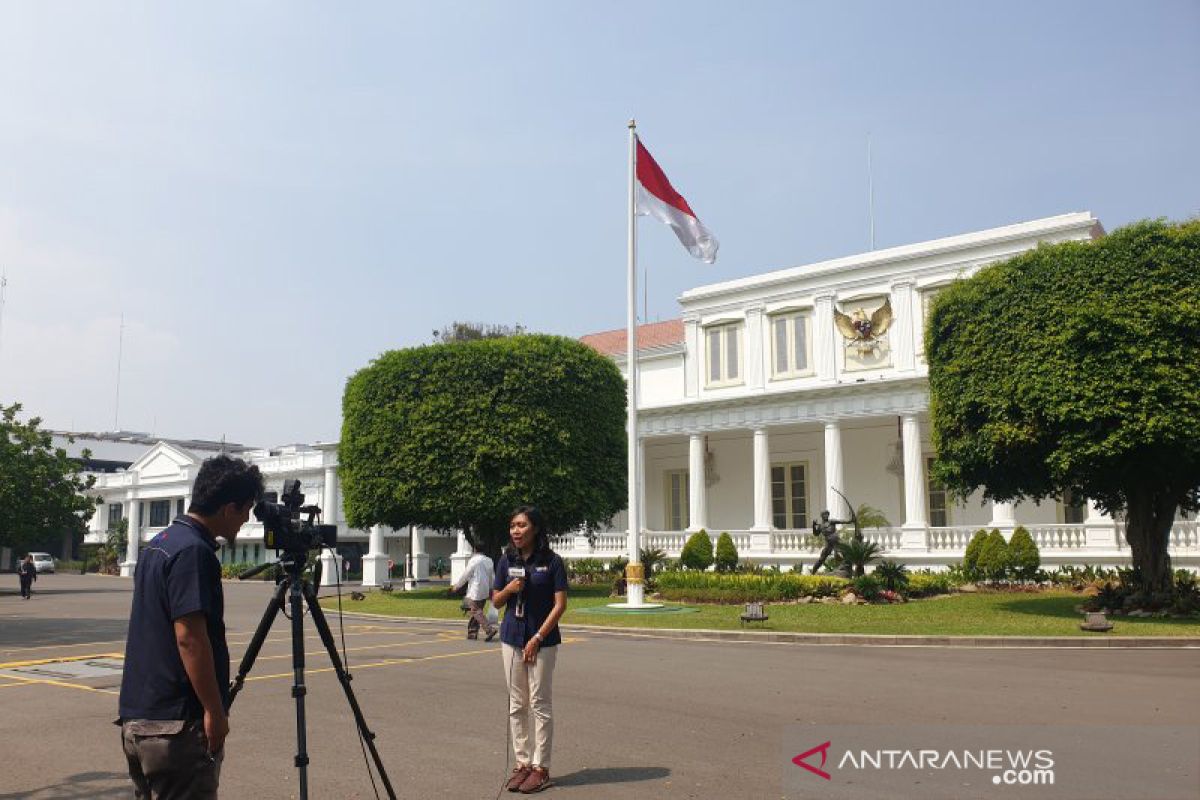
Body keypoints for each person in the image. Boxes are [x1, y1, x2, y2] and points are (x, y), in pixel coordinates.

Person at [118, 455, 264, 799]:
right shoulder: (194, 553)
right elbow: (190, 639)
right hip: (176, 726)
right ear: (229, 508)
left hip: (139, 717)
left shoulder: (159, 544)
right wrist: (215, 711)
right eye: (245, 511)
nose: (245, 521)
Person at [492, 506, 567, 794]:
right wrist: (509, 589)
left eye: (522, 525)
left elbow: (560, 605)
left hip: (542, 641)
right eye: (513, 525)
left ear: (535, 528)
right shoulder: (505, 560)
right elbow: (496, 602)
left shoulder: (552, 562)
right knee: (516, 704)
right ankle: (522, 763)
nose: (516, 531)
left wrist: (536, 637)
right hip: (511, 638)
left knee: (539, 704)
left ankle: (540, 768)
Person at [448, 543, 497, 641]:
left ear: (474, 550)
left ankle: (489, 629)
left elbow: (466, 575)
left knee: (475, 611)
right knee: (476, 612)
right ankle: (472, 633)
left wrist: (457, 586)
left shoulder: (474, 560)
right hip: (485, 589)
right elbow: (492, 576)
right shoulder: (489, 560)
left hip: (475, 589)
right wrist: (492, 588)